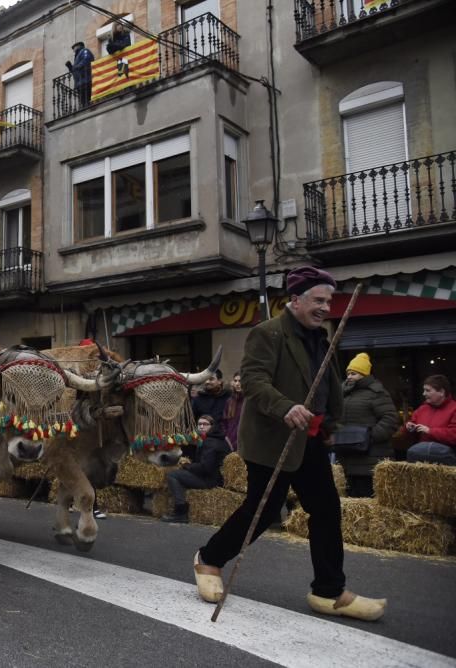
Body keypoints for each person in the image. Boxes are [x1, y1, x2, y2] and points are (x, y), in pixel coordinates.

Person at [192, 266, 386, 622]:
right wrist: (286, 407)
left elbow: (327, 384)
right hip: (273, 440)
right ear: (295, 300)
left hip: (310, 439)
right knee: (263, 511)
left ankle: (328, 591)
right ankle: (208, 560)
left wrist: (331, 422)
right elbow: (253, 380)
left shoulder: (322, 337)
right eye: (318, 300)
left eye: (329, 300)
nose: (326, 307)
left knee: (326, 509)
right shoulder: (268, 333)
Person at [337, 353, 398, 495]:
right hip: (347, 457)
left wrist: (369, 437)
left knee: (367, 496)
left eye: (354, 373)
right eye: (348, 373)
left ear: (364, 374)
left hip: (371, 458)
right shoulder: (342, 394)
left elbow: (390, 419)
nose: (350, 376)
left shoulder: (377, 393)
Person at [162, 415, 230, 523]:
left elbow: (206, 468)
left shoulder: (210, 442)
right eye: (199, 424)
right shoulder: (216, 439)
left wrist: (187, 466)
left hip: (210, 480)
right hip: (214, 478)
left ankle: (181, 512)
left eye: (205, 424)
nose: (202, 427)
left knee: (173, 475)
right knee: (181, 474)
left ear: (212, 426)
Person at [405, 374, 456, 465]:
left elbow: (454, 434)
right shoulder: (422, 409)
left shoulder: (454, 409)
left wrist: (430, 431)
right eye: (424, 390)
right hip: (420, 459)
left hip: (446, 463)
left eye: (428, 390)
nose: (424, 394)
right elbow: (407, 430)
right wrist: (409, 427)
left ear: (441, 392)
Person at [66, 41, 95, 106]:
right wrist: (70, 67)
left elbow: (87, 59)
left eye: (74, 47)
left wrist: (76, 67)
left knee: (88, 99)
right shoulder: (76, 58)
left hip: (86, 80)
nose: (73, 49)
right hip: (79, 83)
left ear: (79, 46)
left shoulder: (84, 51)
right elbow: (75, 71)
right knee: (83, 102)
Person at [223, 371, 244, 452]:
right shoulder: (229, 401)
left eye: (240, 381)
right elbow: (224, 422)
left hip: (245, 445)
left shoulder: (249, 401)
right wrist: (226, 437)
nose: (237, 384)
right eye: (235, 381)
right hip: (230, 443)